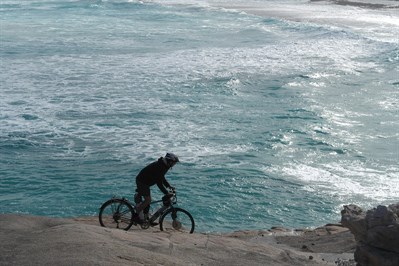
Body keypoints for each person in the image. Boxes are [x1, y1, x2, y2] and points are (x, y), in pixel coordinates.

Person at [132, 153, 179, 224]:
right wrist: (166, 193)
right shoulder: (160, 166)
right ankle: (135, 216)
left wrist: (168, 186)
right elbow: (159, 183)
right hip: (142, 182)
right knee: (148, 200)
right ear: (169, 161)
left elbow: (161, 177)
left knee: (148, 201)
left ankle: (146, 219)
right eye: (174, 163)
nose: (174, 165)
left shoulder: (164, 165)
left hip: (146, 182)